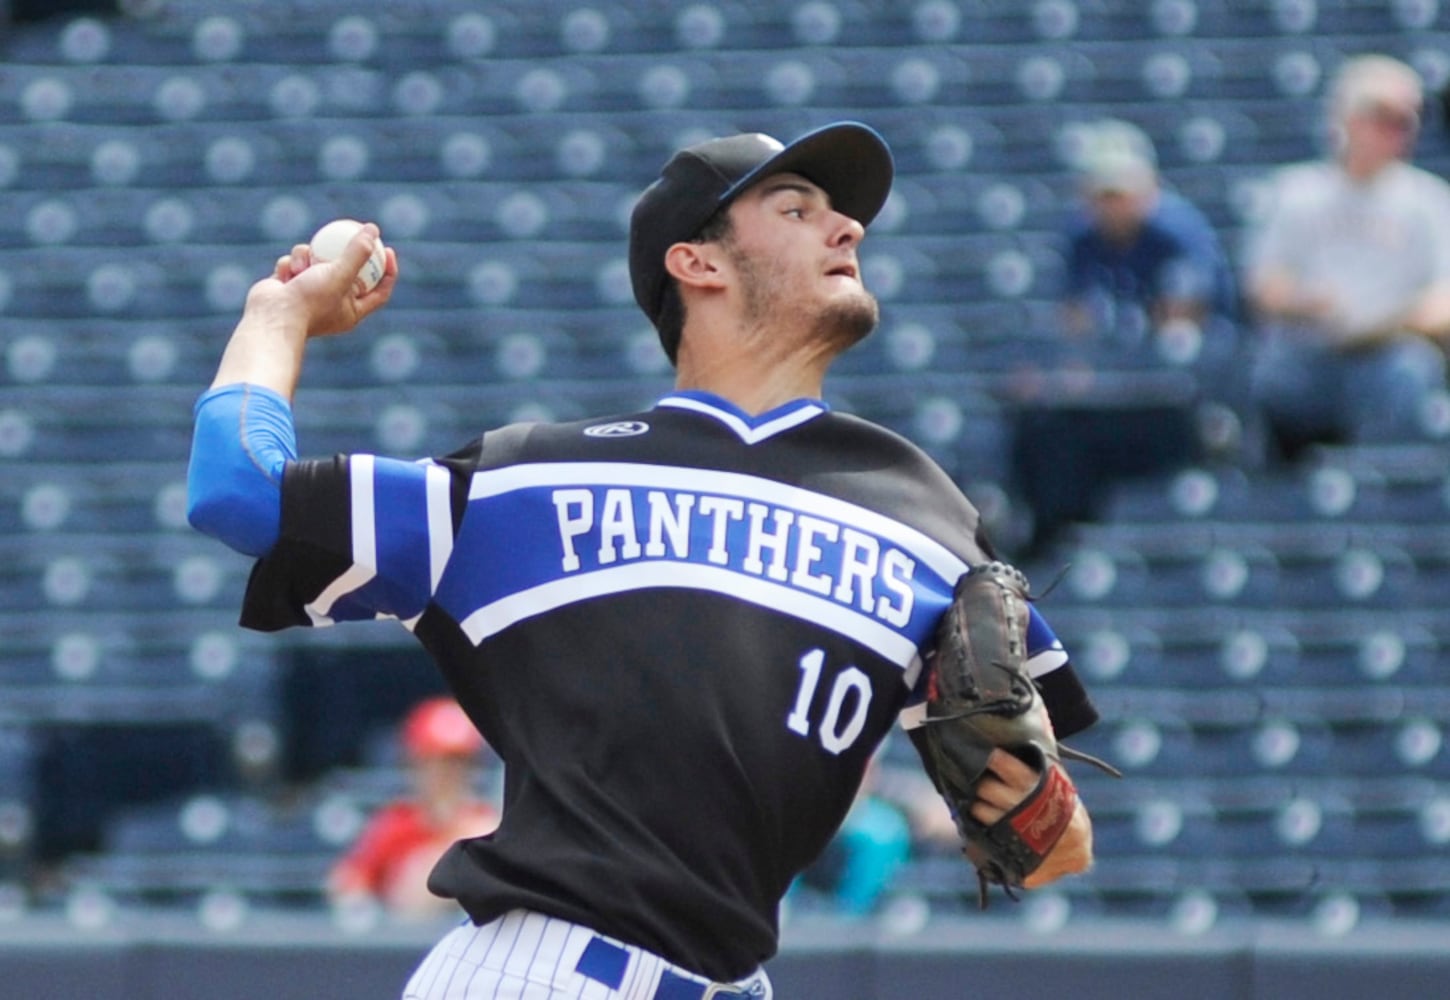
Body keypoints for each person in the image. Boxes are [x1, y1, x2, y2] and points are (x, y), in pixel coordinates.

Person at [186, 121, 1102, 999]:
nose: (847, 224)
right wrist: (280, 314)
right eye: (795, 206)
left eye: (840, 211)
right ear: (696, 261)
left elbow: (1056, 844)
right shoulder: (529, 481)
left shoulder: (926, 515)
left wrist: (1034, 813)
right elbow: (237, 488)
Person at [1009, 118, 1239, 555]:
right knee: (1047, 432)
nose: (1113, 205)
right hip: (1117, 388)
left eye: (1122, 193)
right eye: (1103, 194)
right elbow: (1075, 322)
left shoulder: (1176, 235)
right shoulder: (1082, 238)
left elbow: (1182, 326)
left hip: (1180, 394)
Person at [1244, 53, 1450, 462]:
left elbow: (1443, 299)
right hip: (1311, 348)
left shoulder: (1428, 199)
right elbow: (1264, 288)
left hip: (1389, 352)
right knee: (1272, 374)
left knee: (1409, 373)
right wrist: (1305, 301)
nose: (1397, 131)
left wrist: (1392, 321)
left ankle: (1391, 491)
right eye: (1383, 118)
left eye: (1406, 120)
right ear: (1347, 118)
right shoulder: (1297, 192)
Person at [328, 696, 501, 923]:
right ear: (415, 764)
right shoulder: (397, 821)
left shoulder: (489, 821)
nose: (446, 774)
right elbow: (348, 880)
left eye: (457, 762)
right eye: (435, 762)